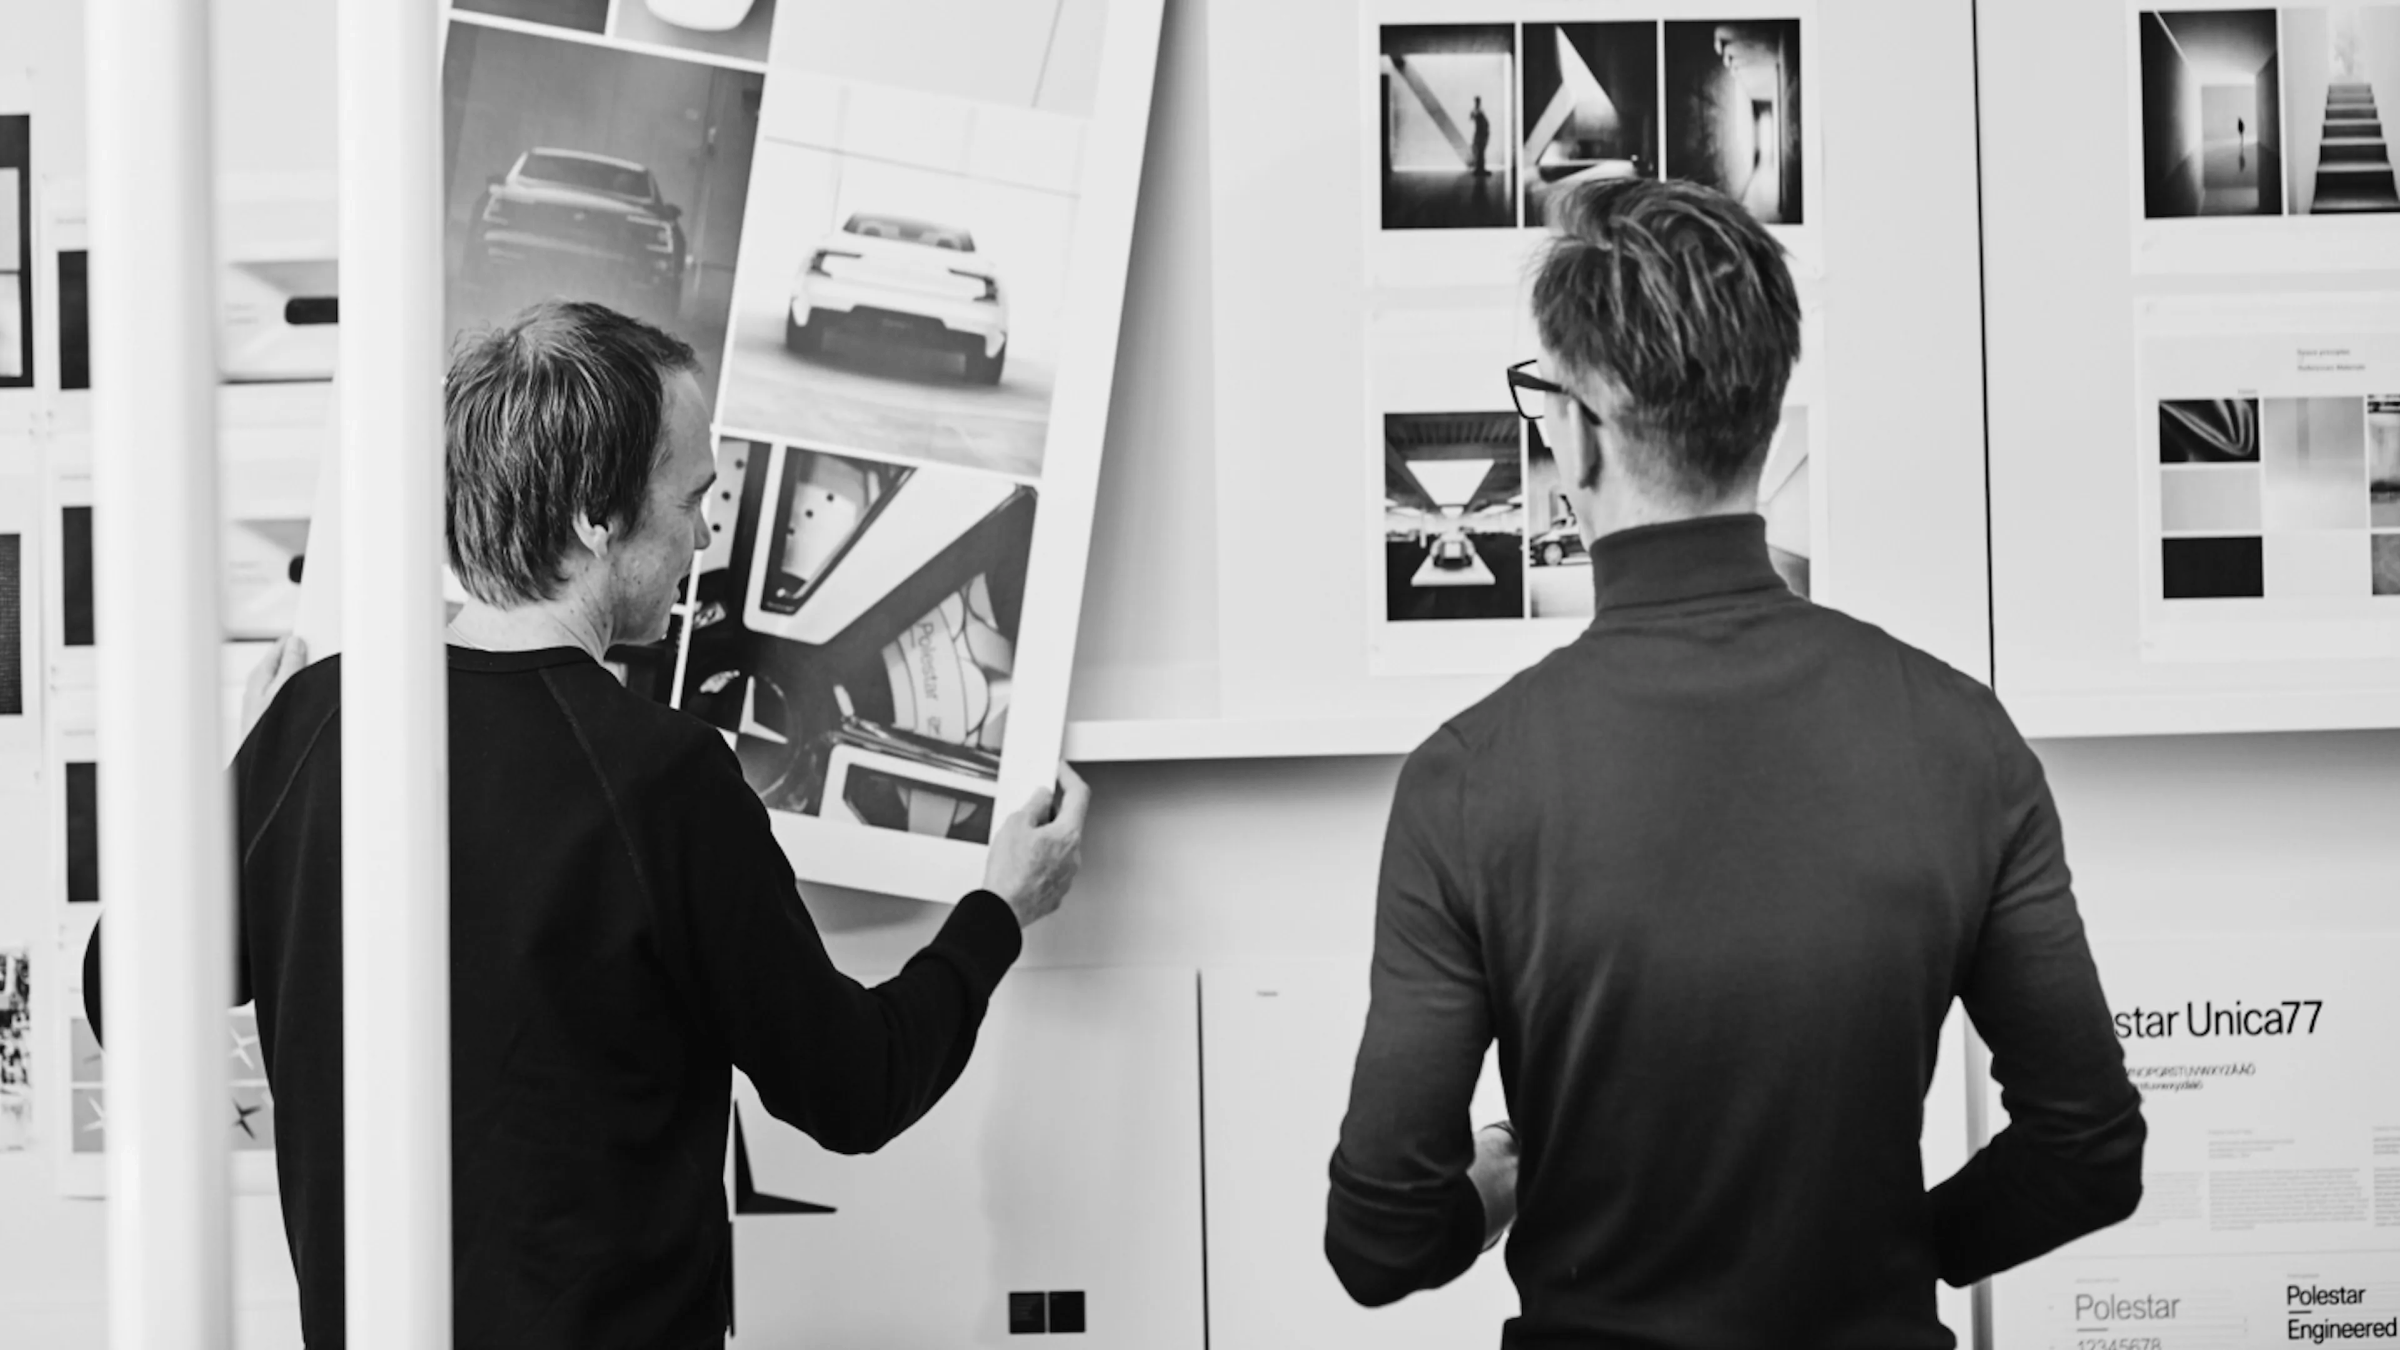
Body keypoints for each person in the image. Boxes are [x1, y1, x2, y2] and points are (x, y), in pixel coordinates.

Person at [82, 299, 1091, 1349]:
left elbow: (129, 997)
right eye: (693, 496)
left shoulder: (312, 724)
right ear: (596, 519)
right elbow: (856, 1088)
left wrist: (236, 792)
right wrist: (1000, 909)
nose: (705, 532)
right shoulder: (662, 781)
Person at [1324, 178, 2144, 1346]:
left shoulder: (1467, 782)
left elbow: (1380, 1240)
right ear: (1760, 414)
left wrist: (1499, 1190)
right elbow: (2090, 1149)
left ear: (1582, 427)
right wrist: (1891, 1256)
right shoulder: (1963, 737)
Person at [1469, 95, 1491, 177]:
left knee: (1481, 152)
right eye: (1477, 101)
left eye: (1478, 101)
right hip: (1480, 134)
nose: (1478, 103)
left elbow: (1484, 122)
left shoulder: (1480, 111)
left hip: (1482, 134)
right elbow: (1472, 117)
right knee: (1479, 152)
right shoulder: (1477, 111)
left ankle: (1481, 169)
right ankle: (1479, 169)